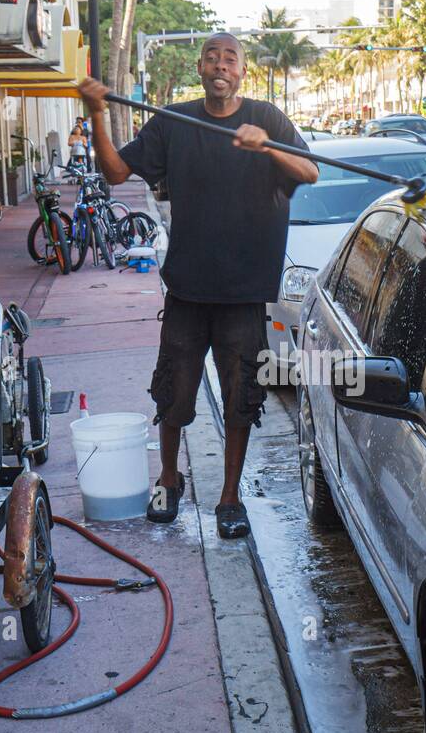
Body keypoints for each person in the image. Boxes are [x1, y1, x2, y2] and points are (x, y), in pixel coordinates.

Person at [78, 33, 318, 538]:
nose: (220, 65)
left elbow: (310, 171)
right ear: (200, 67)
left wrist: (269, 147)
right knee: (174, 396)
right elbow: (117, 172)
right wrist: (96, 115)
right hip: (188, 290)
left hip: (246, 295)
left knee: (241, 400)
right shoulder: (173, 122)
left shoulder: (267, 118)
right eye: (212, 56)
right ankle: (168, 477)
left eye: (230, 57)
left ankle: (229, 497)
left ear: (242, 71)